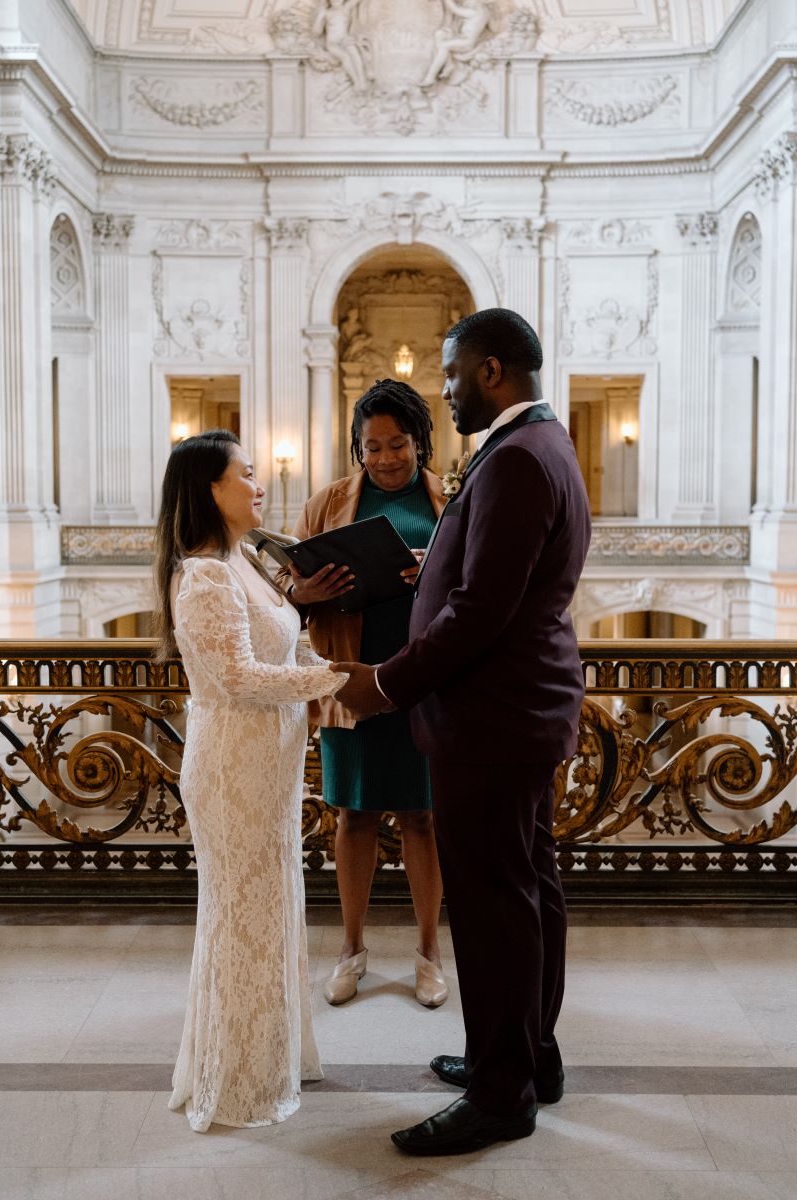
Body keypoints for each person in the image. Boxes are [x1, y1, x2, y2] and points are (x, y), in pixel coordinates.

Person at [332, 309, 591, 1155]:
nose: (440, 391)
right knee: (527, 891)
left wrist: (385, 684)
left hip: (492, 715)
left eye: (450, 373)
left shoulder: (516, 459)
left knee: (492, 908)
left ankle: (501, 1095)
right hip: (517, 709)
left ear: (489, 371)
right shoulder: (542, 445)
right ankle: (523, 1055)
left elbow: (482, 609)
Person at [154, 429, 346, 1132]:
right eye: (247, 474)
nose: (259, 484)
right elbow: (235, 677)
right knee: (243, 917)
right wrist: (334, 680)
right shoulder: (202, 573)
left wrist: (311, 622)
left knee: (270, 910)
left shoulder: (244, 562)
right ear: (211, 488)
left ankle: (266, 1056)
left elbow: (276, 644)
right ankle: (235, 1079)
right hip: (234, 763)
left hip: (269, 760)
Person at [280, 380, 449, 1008]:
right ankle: (351, 951)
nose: (385, 458)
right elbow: (283, 592)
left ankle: (430, 954)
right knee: (351, 814)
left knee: (423, 816)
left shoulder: (449, 503)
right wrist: (307, 593)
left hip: (423, 675)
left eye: (397, 444)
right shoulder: (326, 504)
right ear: (357, 447)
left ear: (421, 442)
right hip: (346, 670)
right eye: (372, 446)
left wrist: (436, 567)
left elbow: (474, 586)